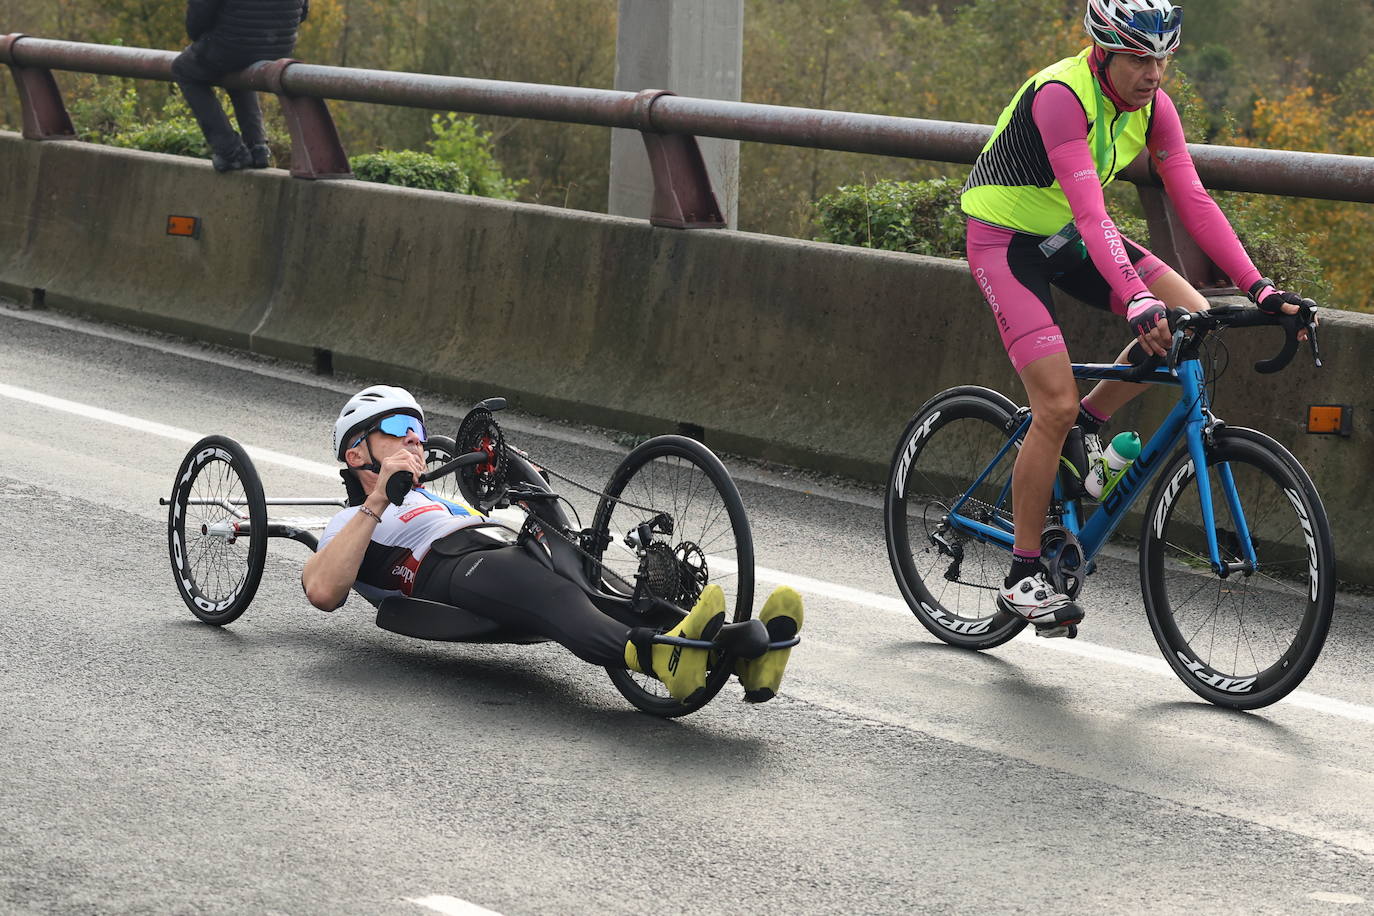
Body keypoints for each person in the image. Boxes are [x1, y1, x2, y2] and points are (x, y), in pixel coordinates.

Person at [959, 0, 1315, 630]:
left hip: (1063, 233)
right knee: (1053, 405)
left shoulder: (1154, 106)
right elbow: (1095, 213)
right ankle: (1022, 573)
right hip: (1004, 240)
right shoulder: (1062, 98)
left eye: (1161, 60)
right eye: (1139, 60)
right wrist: (1133, 296)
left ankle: (1086, 438)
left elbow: (1194, 199)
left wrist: (1259, 289)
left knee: (1194, 315)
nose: (1153, 74)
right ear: (1104, 51)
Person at [300, 385, 804, 705]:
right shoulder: (348, 521)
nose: (415, 439)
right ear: (356, 452)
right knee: (553, 594)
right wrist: (378, 502)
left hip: (498, 545)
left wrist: (515, 470)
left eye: (419, 429)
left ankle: (743, 652)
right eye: (397, 430)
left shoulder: (437, 495)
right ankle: (655, 658)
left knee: (605, 590)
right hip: (452, 570)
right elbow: (323, 589)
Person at [171, 0, 309, 172]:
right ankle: (258, 147)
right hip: (279, 47)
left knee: (183, 69)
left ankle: (229, 150)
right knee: (238, 66)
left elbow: (199, 15)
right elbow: (302, 12)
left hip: (231, 45)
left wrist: (202, 35)